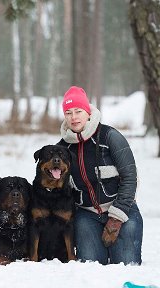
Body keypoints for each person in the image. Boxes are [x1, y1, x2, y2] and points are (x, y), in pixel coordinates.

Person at [57, 86, 143, 265]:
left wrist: (116, 218)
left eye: (78, 111)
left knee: (126, 266)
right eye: (68, 113)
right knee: (91, 269)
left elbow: (130, 177)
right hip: (86, 215)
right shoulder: (62, 148)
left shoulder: (110, 136)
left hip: (122, 210)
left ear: (88, 112)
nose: (74, 117)